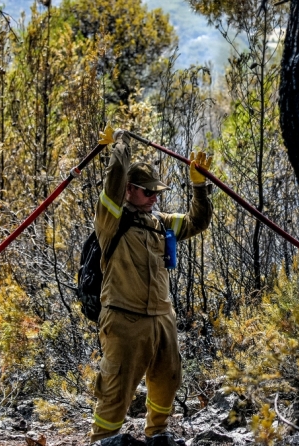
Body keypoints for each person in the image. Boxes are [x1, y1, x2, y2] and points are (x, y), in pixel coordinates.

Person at [90, 130, 213, 446]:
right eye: (147, 192)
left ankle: (158, 432)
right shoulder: (111, 220)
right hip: (124, 318)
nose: (154, 197)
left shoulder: (160, 222)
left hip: (162, 318)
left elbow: (197, 222)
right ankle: (104, 439)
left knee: (168, 379)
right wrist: (121, 149)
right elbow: (112, 185)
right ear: (129, 191)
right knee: (117, 384)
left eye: (157, 192)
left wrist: (199, 186)